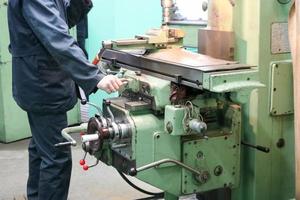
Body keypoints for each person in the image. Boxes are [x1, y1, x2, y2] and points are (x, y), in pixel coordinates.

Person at [7, 0, 122, 199]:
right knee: (56, 156)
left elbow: (64, 20)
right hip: (43, 83)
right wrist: (95, 76)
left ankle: (35, 196)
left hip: (41, 79)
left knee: (40, 148)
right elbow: (56, 36)